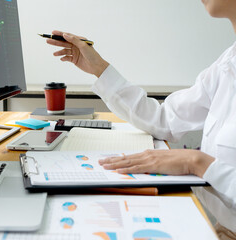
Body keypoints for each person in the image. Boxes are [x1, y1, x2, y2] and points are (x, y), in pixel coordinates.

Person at [45, 0, 236, 239]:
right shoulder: (227, 63)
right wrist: (99, 68)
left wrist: (198, 163)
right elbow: (165, 119)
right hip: (221, 228)